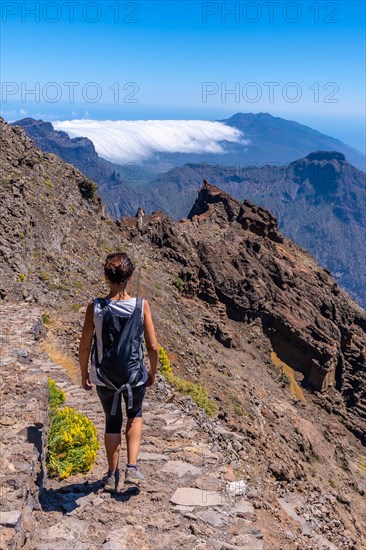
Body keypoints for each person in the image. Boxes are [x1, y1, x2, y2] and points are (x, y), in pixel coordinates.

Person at [79, 252, 159, 491]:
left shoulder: (95, 306)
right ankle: (132, 468)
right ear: (130, 277)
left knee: (112, 421)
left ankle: (112, 474)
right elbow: (153, 346)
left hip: (104, 376)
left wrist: (84, 372)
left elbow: (85, 344)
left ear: (106, 277)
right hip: (134, 375)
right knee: (134, 415)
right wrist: (152, 371)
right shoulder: (141, 305)